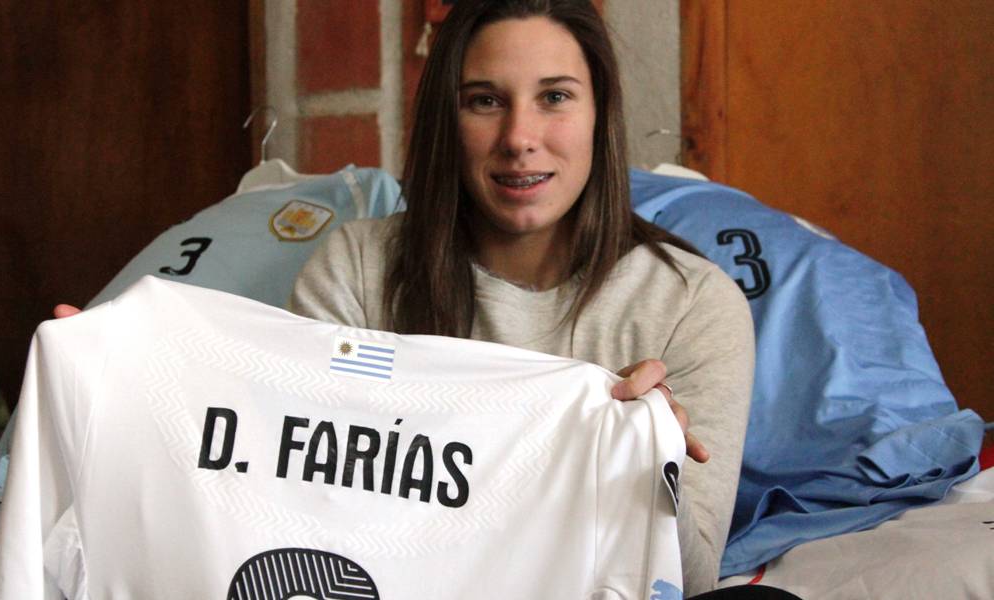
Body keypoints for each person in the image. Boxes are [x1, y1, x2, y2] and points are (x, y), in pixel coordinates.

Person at [288, 0, 761, 596]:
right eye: (485, 100)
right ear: (446, 119)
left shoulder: (693, 306)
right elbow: (300, 515)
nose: (519, 139)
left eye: (555, 97)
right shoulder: (356, 270)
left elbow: (689, 583)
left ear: (600, 114)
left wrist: (650, 462)